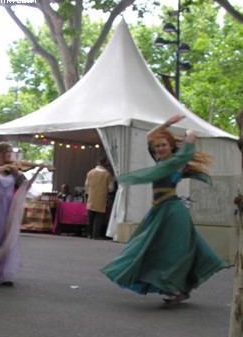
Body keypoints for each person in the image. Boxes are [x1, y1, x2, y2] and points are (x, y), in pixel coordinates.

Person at [101, 114, 228, 305]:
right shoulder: (159, 161)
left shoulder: (178, 161)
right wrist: (167, 124)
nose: (159, 148)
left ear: (171, 147)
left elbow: (191, 137)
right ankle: (179, 289)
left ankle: (176, 289)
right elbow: (148, 137)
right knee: (147, 245)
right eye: (157, 146)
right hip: (159, 210)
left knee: (172, 250)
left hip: (173, 212)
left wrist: (188, 130)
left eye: (163, 145)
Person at [0, 142, 44, 286]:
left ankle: (0, 273)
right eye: (8, 151)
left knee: (5, 237)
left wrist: (37, 171)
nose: (10, 155)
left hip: (8, 206)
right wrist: (6, 167)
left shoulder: (13, 171)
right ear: (0, 153)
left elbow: (25, 185)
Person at [85, 156, 115, 239]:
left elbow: (86, 185)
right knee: (99, 218)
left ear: (98, 162)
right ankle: (96, 235)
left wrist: (89, 192)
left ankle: (89, 234)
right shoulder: (108, 175)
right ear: (105, 163)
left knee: (90, 218)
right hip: (101, 198)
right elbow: (111, 188)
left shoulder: (90, 172)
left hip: (91, 198)